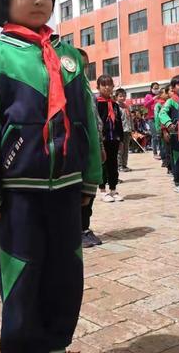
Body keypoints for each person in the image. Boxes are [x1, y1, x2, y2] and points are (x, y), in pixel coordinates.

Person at [0, 0, 102, 352]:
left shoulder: (71, 58)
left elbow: (88, 122)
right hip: (17, 194)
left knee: (66, 274)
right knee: (21, 273)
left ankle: (58, 342)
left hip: (67, 189)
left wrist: (90, 175)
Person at [77, 48, 104, 249]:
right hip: (74, 150)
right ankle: (76, 230)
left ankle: (85, 228)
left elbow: (96, 121)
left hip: (91, 148)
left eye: (85, 66)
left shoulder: (87, 90)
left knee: (89, 189)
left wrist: (100, 145)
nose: (82, 70)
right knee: (78, 193)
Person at [96, 74, 124, 202]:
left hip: (114, 139)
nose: (107, 87)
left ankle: (113, 189)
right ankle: (102, 191)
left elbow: (119, 123)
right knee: (103, 164)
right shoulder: (96, 104)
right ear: (98, 87)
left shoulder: (115, 105)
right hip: (102, 140)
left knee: (113, 164)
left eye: (109, 84)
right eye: (104, 85)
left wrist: (121, 139)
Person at [159, 75, 179, 193]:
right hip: (176, 135)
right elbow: (162, 114)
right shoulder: (170, 101)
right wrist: (169, 124)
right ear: (173, 88)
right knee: (178, 158)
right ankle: (178, 181)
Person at [154, 86, 171, 172]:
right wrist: (158, 129)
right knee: (164, 147)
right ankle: (166, 163)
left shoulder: (168, 102)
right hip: (162, 128)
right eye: (165, 93)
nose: (167, 94)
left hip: (169, 128)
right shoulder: (158, 104)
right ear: (160, 95)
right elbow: (157, 117)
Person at [116, 88, 132, 172]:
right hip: (120, 131)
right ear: (116, 97)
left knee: (126, 149)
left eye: (124, 96)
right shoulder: (116, 107)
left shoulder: (126, 106)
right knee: (120, 149)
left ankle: (124, 165)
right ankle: (119, 166)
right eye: (120, 96)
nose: (122, 98)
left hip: (127, 131)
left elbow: (130, 118)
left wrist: (132, 129)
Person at [143, 82, 161, 158]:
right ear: (151, 89)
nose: (156, 89)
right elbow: (145, 105)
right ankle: (155, 153)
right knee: (155, 136)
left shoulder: (160, 96)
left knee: (160, 136)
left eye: (157, 88)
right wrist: (153, 99)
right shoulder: (148, 96)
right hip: (151, 119)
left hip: (159, 118)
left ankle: (161, 152)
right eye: (155, 88)